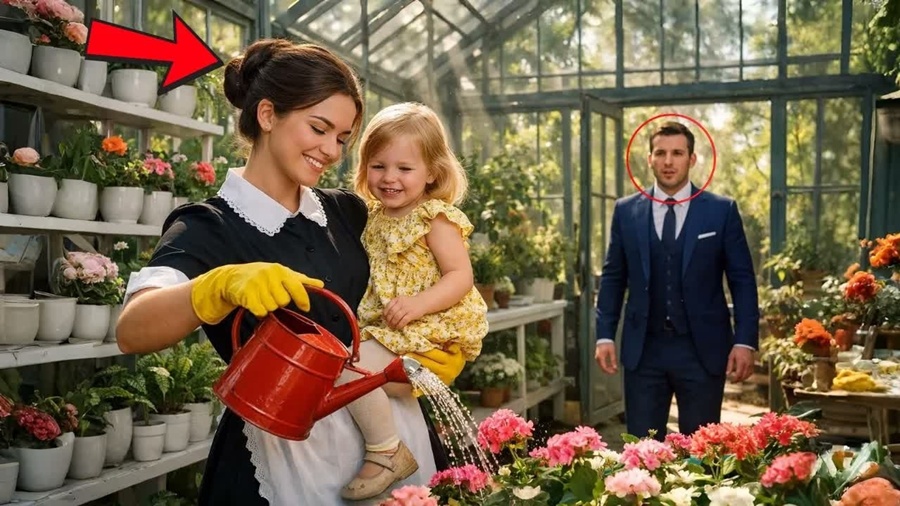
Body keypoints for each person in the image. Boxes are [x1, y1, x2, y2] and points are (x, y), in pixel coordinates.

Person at [115, 39, 467, 505]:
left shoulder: (348, 212)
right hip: (284, 455)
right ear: (266, 115)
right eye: (319, 128)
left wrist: (438, 348)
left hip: (396, 440)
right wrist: (214, 287)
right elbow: (132, 331)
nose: (331, 150)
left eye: (342, 138)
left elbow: (439, 263)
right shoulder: (208, 226)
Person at [339, 102, 489, 500]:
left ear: (432, 173)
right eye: (378, 166)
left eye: (404, 169)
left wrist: (420, 303)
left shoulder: (434, 218)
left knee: (349, 369)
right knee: (344, 367)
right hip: (393, 329)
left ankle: (386, 450)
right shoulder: (372, 217)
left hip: (427, 328)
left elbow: (461, 276)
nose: (389, 178)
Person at [594, 121, 759, 441]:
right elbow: (614, 277)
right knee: (642, 453)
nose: (669, 161)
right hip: (644, 352)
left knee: (703, 452)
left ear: (692, 159)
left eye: (677, 153)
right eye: (661, 153)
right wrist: (604, 335)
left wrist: (744, 340)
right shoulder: (626, 211)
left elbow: (742, 279)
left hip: (702, 351)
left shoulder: (721, 211)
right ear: (650, 159)